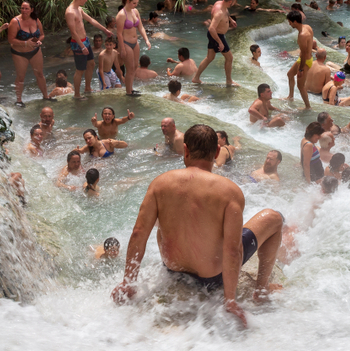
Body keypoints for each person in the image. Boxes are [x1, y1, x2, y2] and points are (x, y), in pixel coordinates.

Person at [112, 125, 284, 327]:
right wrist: (230, 301)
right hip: (212, 278)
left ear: (185, 150)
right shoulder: (229, 191)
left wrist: (128, 283)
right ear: (217, 152)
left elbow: (138, 233)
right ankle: (261, 292)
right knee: (274, 218)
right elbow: (232, 249)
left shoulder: (160, 183)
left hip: (172, 270)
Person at [65, 0, 113, 98]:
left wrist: (104, 30)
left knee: (91, 64)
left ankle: (87, 88)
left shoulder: (79, 9)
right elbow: (73, 32)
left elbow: (91, 20)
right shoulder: (70, 12)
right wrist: (82, 47)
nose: (86, 1)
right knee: (80, 69)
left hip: (85, 40)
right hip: (78, 43)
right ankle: (77, 94)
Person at [8, 0, 50, 106]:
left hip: (35, 51)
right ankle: (19, 100)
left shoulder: (36, 20)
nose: (24, 10)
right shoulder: (15, 21)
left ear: (31, 10)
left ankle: (46, 96)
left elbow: (42, 35)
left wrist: (39, 41)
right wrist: (26, 43)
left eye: (26, 8)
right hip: (19, 53)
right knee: (21, 76)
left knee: (40, 74)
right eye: (22, 8)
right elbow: (11, 40)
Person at [193, 0, 239, 86]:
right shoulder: (219, 13)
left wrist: (230, 20)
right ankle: (229, 81)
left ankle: (196, 78)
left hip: (215, 35)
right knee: (229, 58)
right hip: (217, 35)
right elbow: (211, 29)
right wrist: (220, 42)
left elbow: (226, 12)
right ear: (230, 2)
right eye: (234, 2)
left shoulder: (219, 3)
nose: (234, 3)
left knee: (209, 58)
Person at [115, 0, 152, 96]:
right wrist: (122, 48)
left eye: (137, 3)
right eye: (134, 3)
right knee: (130, 68)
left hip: (135, 42)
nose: (136, 5)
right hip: (126, 43)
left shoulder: (135, 11)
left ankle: (131, 88)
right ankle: (128, 92)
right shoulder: (121, 15)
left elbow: (140, 26)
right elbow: (119, 33)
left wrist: (146, 40)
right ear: (128, 1)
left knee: (135, 66)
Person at [284, 10, 315, 107]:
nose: (289, 24)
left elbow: (305, 54)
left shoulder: (302, 35)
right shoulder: (307, 27)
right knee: (290, 74)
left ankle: (308, 107)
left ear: (295, 22)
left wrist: (301, 69)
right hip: (303, 59)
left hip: (305, 61)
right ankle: (291, 96)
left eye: (290, 22)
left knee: (300, 86)